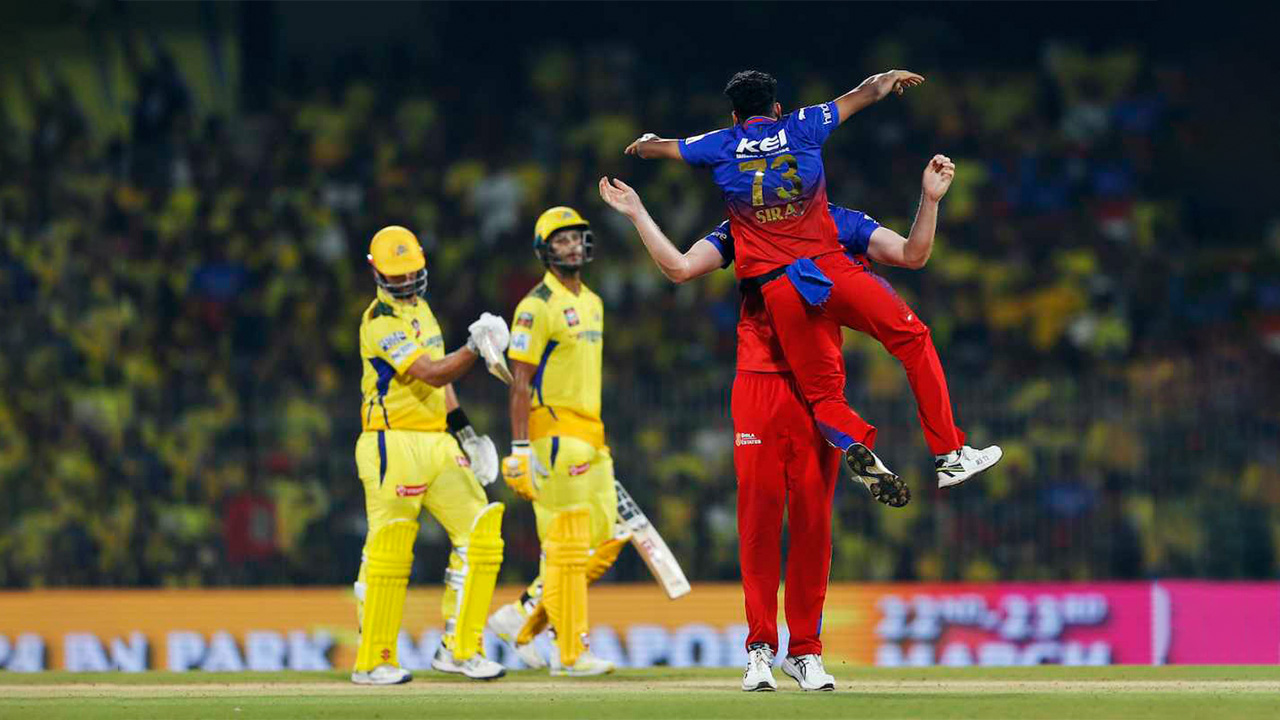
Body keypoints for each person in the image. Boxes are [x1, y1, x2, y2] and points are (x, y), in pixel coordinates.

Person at [597, 153, 974, 691]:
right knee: (759, 520)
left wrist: (930, 202)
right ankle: (759, 649)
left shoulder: (838, 222)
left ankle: (804, 652)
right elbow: (679, 268)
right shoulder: (740, 228)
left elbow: (913, 253)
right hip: (759, 382)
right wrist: (637, 212)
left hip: (813, 388)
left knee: (813, 524)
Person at [626, 70, 1001, 501]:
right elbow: (864, 93)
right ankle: (949, 454)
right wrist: (888, 80)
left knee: (822, 397)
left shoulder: (720, 149)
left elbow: (667, 153)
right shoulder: (804, 129)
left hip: (777, 291)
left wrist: (645, 147)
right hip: (828, 267)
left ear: (734, 117)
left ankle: (854, 442)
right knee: (913, 339)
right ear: (777, 109)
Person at [351, 226, 510, 685]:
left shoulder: (421, 309)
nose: (404, 284)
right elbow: (432, 373)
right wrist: (475, 347)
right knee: (390, 548)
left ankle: (461, 649)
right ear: (375, 271)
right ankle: (374, 659)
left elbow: (440, 385)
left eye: (411, 274)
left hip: (437, 438)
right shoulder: (379, 321)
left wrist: (465, 431)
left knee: (481, 532)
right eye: (395, 277)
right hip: (390, 440)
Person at [486, 207, 624, 677]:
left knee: (607, 539)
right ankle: (570, 653)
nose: (572, 247)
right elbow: (518, 382)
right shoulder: (534, 306)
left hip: (592, 434)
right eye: (561, 241)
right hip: (553, 436)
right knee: (566, 547)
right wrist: (521, 450)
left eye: (577, 238)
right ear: (545, 251)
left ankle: (523, 613)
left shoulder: (595, 302)